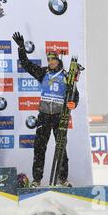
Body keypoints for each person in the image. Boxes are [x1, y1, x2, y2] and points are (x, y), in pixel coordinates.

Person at [12, 32, 79, 187]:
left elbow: (75, 94)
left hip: (59, 116)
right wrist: (22, 48)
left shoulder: (67, 76)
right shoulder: (43, 73)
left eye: (52, 59)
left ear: (58, 60)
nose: (49, 62)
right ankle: (37, 180)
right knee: (39, 149)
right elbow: (26, 64)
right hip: (44, 116)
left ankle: (63, 179)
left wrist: (73, 104)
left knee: (61, 148)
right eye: (48, 59)